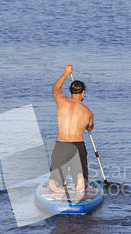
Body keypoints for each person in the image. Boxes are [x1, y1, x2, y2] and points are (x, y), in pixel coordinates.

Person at [48, 64, 94, 193]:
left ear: (70, 92)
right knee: (82, 175)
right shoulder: (88, 112)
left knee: (56, 175)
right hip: (78, 145)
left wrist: (66, 73)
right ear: (83, 92)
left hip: (61, 144)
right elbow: (90, 128)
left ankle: (53, 182)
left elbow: (55, 88)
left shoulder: (62, 101)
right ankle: (80, 178)